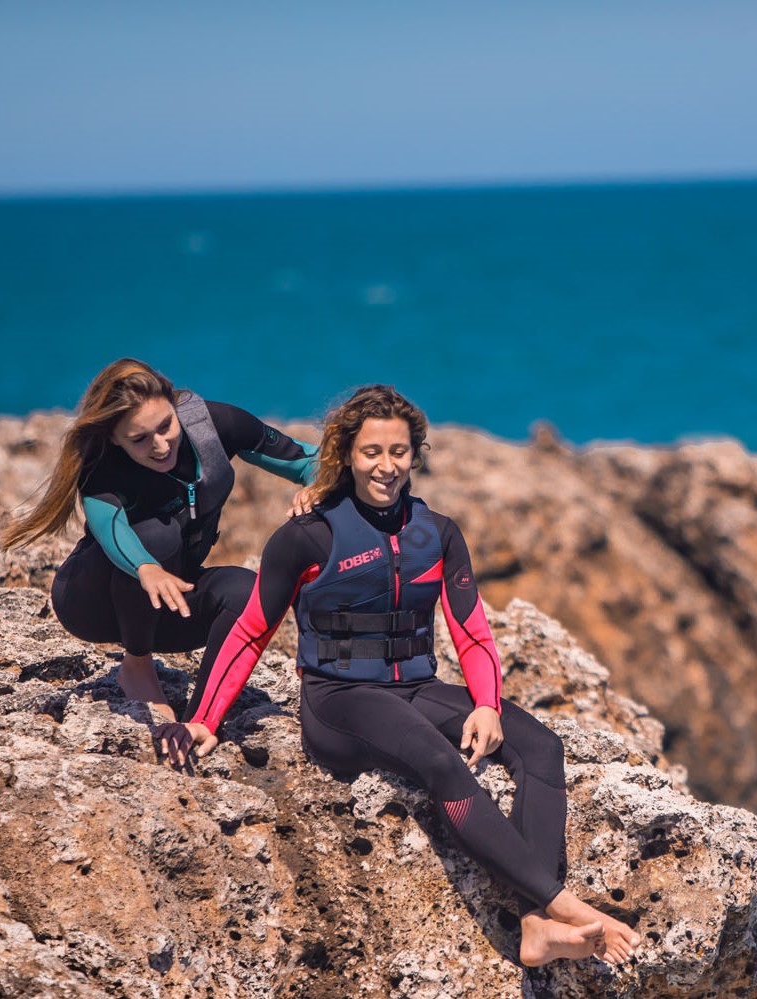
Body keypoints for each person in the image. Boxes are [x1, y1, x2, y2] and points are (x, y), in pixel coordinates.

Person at [169, 384, 640, 967]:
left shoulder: (436, 533)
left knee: (541, 747)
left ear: (415, 454)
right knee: (439, 762)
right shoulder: (308, 535)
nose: (386, 466)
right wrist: (203, 719)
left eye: (399, 451)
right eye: (371, 452)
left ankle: (534, 923)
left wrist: (487, 704)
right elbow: (250, 631)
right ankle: (562, 904)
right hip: (339, 701)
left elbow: (470, 630)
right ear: (346, 455)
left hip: (418, 688)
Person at [1, 358, 318, 747]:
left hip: (168, 605)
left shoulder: (216, 425)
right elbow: (109, 527)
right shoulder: (102, 464)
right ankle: (137, 667)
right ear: (115, 437)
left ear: (173, 402)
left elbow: (308, 460)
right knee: (158, 536)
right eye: (140, 439)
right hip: (90, 602)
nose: (161, 444)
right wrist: (145, 566)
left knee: (247, 590)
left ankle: (200, 718)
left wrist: (317, 486)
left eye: (166, 425)